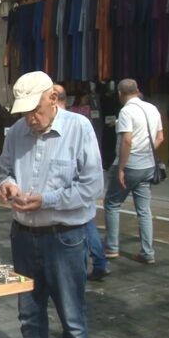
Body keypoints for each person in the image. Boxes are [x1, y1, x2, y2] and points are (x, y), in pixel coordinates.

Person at [0, 71, 103, 338]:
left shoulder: (78, 128)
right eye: (25, 112)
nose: (31, 118)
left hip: (65, 237)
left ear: (53, 99)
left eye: (36, 110)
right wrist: (7, 185)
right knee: (28, 311)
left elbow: (91, 187)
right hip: (24, 235)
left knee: (71, 315)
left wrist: (47, 200)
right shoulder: (16, 132)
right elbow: (5, 170)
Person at [103, 79, 164, 264]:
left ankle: (112, 248)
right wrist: (146, 150)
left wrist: (121, 168)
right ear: (138, 90)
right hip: (148, 166)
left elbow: (127, 141)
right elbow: (160, 137)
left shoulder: (126, 112)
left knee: (112, 204)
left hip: (130, 164)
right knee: (144, 210)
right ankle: (148, 252)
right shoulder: (152, 109)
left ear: (120, 94)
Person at [54, 84, 110, 281]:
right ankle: (99, 261)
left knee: (83, 224)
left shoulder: (77, 121)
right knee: (87, 223)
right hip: (76, 185)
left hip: (74, 186)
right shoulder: (80, 119)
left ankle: (95, 261)